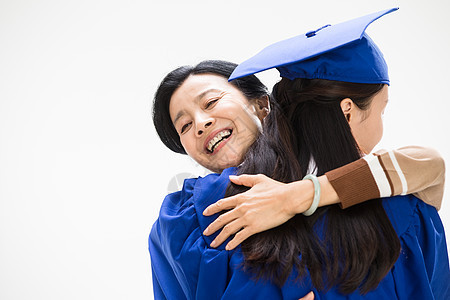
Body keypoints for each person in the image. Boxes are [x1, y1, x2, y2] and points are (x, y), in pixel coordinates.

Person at [150, 8, 449, 299]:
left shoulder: (191, 221)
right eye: (185, 126)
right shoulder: (404, 207)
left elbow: (428, 164)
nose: (201, 125)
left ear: (264, 106)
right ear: (347, 113)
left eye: (212, 102)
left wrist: (299, 196)